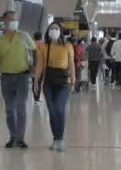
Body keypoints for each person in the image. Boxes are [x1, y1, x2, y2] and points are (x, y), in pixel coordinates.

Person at [0, 11, 37, 149]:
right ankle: (13, 136)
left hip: (22, 76)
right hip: (6, 78)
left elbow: (34, 49)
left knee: (20, 107)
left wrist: (34, 66)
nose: (14, 22)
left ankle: (20, 139)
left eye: (15, 19)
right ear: (4, 21)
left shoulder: (23, 36)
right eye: (11, 19)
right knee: (10, 109)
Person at [34, 22, 75, 152]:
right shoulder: (44, 47)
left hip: (64, 83)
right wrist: (36, 82)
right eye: (52, 28)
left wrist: (73, 81)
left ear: (61, 31)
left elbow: (71, 64)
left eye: (56, 28)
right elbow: (40, 66)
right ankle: (56, 139)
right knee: (52, 111)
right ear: (48, 32)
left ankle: (60, 139)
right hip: (48, 82)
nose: (54, 30)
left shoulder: (68, 46)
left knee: (59, 108)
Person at [32, 31, 44, 103]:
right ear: (41, 36)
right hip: (41, 67)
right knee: (39, 82)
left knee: (34, 82)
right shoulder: (44, 44)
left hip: (34, 66)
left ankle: (35, 98)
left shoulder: (32, 44)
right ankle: (37, 98)